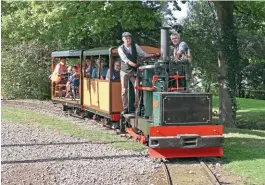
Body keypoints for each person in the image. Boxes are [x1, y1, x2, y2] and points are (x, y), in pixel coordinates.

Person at [118, 32, 159, 114]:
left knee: (137, 88)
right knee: (124, 90)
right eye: (126, 38)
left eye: (129, 38)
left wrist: (153, 55)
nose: (127, 40)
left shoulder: (135, 46)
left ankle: (137, 106)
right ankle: (125, 108)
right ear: (123, 39)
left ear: (131, 39)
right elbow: (126, 60)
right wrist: (136, 65)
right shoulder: (120, 48)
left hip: (133, 71)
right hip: (124, 71)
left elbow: (143, 54)